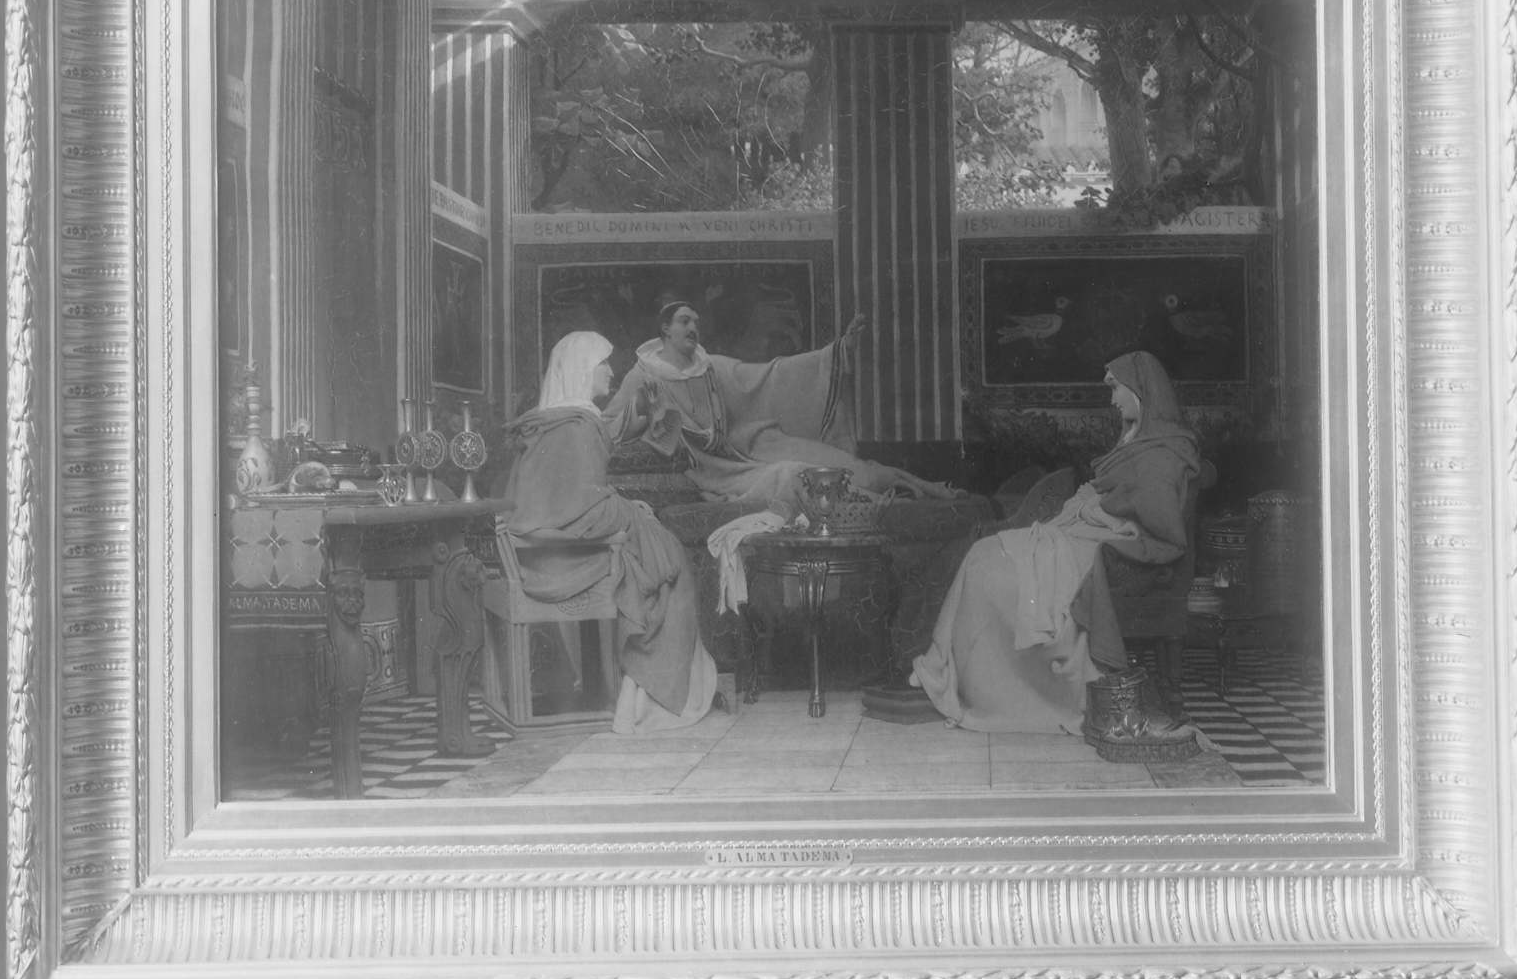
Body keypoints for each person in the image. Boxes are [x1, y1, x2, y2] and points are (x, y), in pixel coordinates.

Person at [909, 350, 1199, 739]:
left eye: (1117, 389)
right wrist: (1089, 506)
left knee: (993, 571)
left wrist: (1103, 513)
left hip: (1117, 549)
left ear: (1140, 391)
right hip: (1089, 533)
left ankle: (993, 694)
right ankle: (942, 663)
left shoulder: (1164, 452)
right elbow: (1105, 490)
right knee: (982, 553)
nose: (1113, 400)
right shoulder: (1137, 441)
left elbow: (1154, 518)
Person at [502, 331, 718, 733]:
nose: (610, 372)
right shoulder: (579, 426)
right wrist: (631, 512)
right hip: (570, 562)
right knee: (670, 567)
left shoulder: (552, 421)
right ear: (583, 369)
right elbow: (586, 511)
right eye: (602, 363)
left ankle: (638, 690)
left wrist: (623, 506)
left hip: (543, 556)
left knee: (659, 553)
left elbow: (570, 501)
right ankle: (646, 696)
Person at [607, 298, 952, 506]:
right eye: (684, 321)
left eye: (696, 322)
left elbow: (774, 375)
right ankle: (894, 504)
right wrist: (640, 409)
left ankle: (926, 487)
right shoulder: (644, 376)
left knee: (851, 467)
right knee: (795, 476)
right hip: (717, 472)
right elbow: (610, 426)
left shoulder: (711, 367)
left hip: (753, 444)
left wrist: (837, 353)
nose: (694, 327)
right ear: (665, 329)